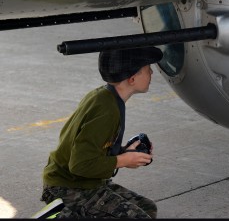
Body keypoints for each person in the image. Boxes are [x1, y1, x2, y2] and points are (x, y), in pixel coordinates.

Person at [39, 46, 164, 218]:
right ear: (132, 79)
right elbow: (79, 165)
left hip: (85, 182)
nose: (152, 72)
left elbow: (90, 147)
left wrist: (122, 151)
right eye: (147, 68)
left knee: (147, 208)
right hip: (68, 187)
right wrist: (121, 160)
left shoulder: (104, 96)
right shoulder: (107, 110)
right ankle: (64, 214)